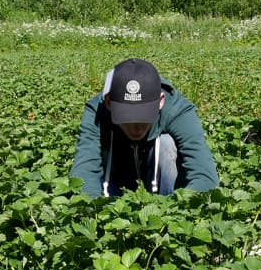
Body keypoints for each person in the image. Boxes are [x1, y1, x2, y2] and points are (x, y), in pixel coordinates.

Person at [70, 58, 219, 197]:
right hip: (114, 187)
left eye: (144, 115)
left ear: (160, 101)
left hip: (166, 193)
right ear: (109, 103)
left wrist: (179, 214)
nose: (136, 127)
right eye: (126, 116)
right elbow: (84, 171)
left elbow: (204, 176)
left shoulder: (177, 109)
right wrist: (97, 213)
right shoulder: (97, 110)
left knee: (167, 144)